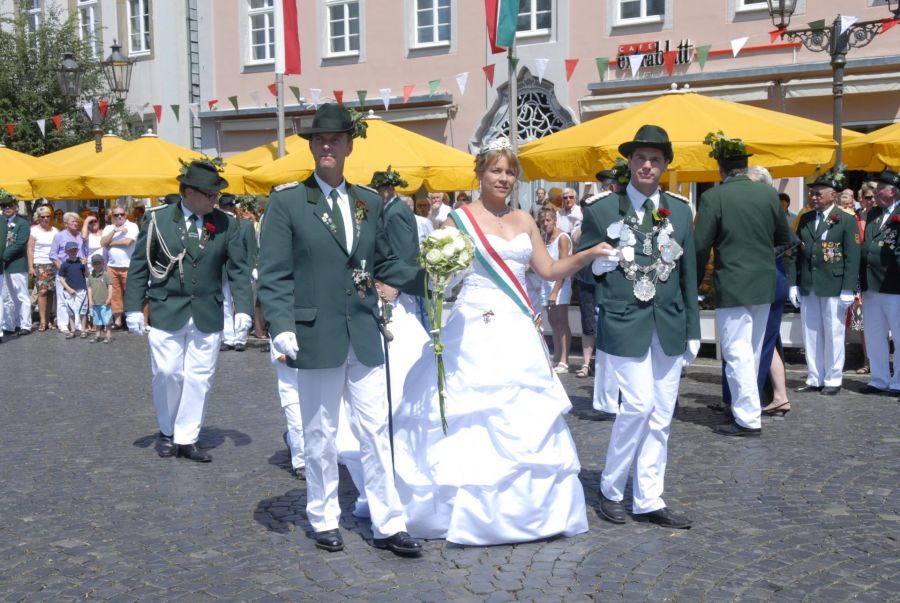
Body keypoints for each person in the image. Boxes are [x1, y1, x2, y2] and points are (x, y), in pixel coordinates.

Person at [390, 136, 610, 545]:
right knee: (471, 414)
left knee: (522, 413)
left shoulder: (525, 220)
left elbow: (547, 270)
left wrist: (588, 254)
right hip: (473, 325)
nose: (504, 178)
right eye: (496, 170)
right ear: (480, 173)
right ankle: (463, 509)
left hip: (517, 327)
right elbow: (441, 273)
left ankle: (531, 512)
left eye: (510, 171)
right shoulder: (457, 220)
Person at [257, 103, 426, 557]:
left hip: (365, 331)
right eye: (319, 140)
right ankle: (323, 515)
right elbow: (273, 272)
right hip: (315, 333)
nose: (326, 146)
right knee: (319, 431)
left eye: (334, 139)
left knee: (375, 429)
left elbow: (388, 261)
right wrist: (280, 324)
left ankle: (388, 521)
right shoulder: (288, 201)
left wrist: (434, 272)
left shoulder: (369, 201)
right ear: (312, 147)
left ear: (350, 145)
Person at [579, 125, 699, 529]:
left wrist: (694, 329)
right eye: (640, 158)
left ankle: (649, 498)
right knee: (638, 405)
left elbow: (688, 273)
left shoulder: (680, 210)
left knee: (662, 415)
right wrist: (597, 265)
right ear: (629, 163)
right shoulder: (601, 209)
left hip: (669, 323)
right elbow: (584, 267)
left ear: (665, 166)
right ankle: (611, 489)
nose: (647, 166)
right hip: (623, 322)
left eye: (655, 160)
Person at [124, 159, 253, 463]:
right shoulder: (157, 220)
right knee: (167, 372)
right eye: (210, 194)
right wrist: (133, 307)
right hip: (167, 307)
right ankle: (167, 430)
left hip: (208, 310)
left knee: (199, 378)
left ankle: (186, 437)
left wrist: (243, 308)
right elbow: (139, 266)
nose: (215, 200)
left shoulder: (226, 223)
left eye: (216, 195)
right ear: (188, 192)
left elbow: (237, 269)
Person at [695, 132, 791, 436]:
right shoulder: (767, 195)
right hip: (764, 283)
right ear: (745, 165)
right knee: (750, 350)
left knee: (736, 352)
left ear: (721, 168)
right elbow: (785, 240)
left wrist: (695, 285)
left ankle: (748, 418)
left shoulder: (714, 196)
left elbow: (701, 246)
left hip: (734, 284)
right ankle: (745, 409)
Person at [721, 166, 795, 417]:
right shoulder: (757, 208)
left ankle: (747, 403)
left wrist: (759, 255)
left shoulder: (769, 208)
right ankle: (776, 396)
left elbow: (789, 240)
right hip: (763, 277)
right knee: (766, 341)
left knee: (759, 343)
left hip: (768, 278)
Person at [789, 169, 860, 396]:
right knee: (811, 332)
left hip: (833, 284)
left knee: (833, 332)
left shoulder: (846, 220)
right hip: (809, 283)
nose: (814, 198)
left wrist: (849, 287)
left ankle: (833, 378)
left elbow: (852, 255)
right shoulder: (807, 219)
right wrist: (793, 283)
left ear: (832, 195)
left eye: (819, 194)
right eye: (812, 194)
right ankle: (814, 377)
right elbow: (796, 253)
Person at [580, 165, 628, 417]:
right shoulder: (598, 209)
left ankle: (615, 399)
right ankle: (607, 401)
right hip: (606, 284)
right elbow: (585, 254)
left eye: (609, 184)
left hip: (631, 286)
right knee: (608, 347)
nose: (608, 189)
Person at [859, 168, 900, 394]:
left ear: (893, 191)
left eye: (880, 188)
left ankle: (898, 382)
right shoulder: (874, 214)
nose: (875, 193)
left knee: (899, 334)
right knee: (874, 333)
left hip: (894, 285)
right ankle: (879, 378)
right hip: (871, 284)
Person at [217, 193, 257, 352]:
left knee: (242, 304)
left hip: (241, 271)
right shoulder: (218, 225)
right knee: (225, 304)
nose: (227, 210)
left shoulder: (245, 226)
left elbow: (251, 250)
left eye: (229, 207)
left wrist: (250, 269)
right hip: (223, 271)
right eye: (224, 207)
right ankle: (228, 338)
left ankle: (240, 338)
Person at [538, 207, 573, 373]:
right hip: (547, 283)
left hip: (560, 284)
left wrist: (555, 291)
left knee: (562, 322)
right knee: (553, 323)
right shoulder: (545, 238)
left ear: (555, 220)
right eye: (542, 221)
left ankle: (565, 360)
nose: (545, 224)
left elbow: (564, 267)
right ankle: (557, 356)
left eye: (548, 220)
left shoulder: (562, 238)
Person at [269, 343, 306, 479]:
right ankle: (300, 464)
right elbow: (281, 357)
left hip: (313, 385)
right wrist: (310, 355)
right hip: (291, 388)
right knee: (297, 425)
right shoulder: (280, 327)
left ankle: (291, 439)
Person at [100, 204, 139, 329]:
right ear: (112, 216)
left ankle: (131, 321)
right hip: (112, 266)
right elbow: (102, 243)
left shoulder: (132, 226)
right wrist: (115, 231)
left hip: (128, 265)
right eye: (116, 215)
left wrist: (111, 243)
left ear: (126, 215)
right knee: (115, 295)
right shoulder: (109, 228)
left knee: (131, 294)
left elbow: (128, 242)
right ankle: (117, 321)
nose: (119, 217)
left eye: (121, 214)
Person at [1, 193, 31, 336]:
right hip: (2, 267)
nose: (7, 208)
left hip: (17, 264)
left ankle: (24, 324)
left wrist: (3, 256)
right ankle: (9, 324)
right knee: (6, 297)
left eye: (10, 205)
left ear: (15, 207)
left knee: (21, 295)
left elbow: (20, 244)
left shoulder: (22, 223)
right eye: (4, 206)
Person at [50, 212, 85, 333]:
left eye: (77, 221)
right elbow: (53, 255)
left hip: (78, 271)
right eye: (73, 221)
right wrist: (62, 268)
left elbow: (83, 252)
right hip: (64, 271)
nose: (76, 223)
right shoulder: (59, 236)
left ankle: (78, 324)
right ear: (65, 224)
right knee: (63, 299)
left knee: (79, 298)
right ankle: (63, 324)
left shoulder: (81, 236)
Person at [27, 206, 58, 332]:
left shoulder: (55, 231)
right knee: (42, 291)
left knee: (51, 292)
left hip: (53, 264)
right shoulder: (34, 231)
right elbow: (30, 249)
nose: (45, 219)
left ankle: (49, 319)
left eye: (48, 216)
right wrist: (30, 266)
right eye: (43, 217)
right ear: (38, 218)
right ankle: (42, 320)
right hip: (40, 264)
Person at [58, 241, 88, 338]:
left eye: (75, 250)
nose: (73, 252)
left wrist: (86, 265)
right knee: (70, 311)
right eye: (71, 250)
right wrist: (68, 288)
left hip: (81, 289)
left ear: (77, 250)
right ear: (66, 252)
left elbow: (87, 274)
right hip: (69, 290)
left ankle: (83, 330)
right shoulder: (64, 264)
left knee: (82, 310)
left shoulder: (81, 262)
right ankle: (73, 330)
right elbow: (61, 278)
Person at [87, 254, 113, 343]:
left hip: (105, 302)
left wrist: (109, 297)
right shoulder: (91, 276)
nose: (97, 265)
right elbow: (89, 289)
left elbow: (110, 286)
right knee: (97, 320)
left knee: (107, 320)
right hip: (95, 302)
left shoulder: (106, 275)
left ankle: (108, 335)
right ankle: (97, 335)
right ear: (92, 264)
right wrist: (90, 300)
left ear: (103, 263)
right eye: (95, 264)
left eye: (99, 263)